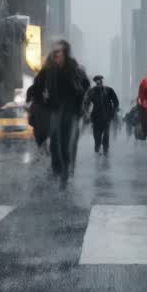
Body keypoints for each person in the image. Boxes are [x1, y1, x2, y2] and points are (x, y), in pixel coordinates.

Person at [29, 40, 89, 184]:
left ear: (64, 53)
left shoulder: (73, 68)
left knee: (65, 142)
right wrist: (41, 99)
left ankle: (65, 173)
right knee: (55, 143)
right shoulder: (48, 69)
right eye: (54, 52)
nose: (55, 54)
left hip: (70, 110)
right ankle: (57, 171)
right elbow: (36, 86)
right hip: (54, 109)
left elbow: (85, 83)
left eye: (58, 52)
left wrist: (79, 96)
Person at [83, 75, 119, 156]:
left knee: (106, 135)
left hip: (107, 116)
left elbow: (116, 101)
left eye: (100, 81)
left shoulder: (109, 90)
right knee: (97, 137)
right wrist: (86, 112)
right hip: (96, 117)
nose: (98, 83)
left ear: (102, 81)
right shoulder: (91, 91)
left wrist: (114, 110)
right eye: (97, 81)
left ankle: (105, 150)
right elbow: (86, 103)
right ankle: (97, 148)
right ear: (95, 82)